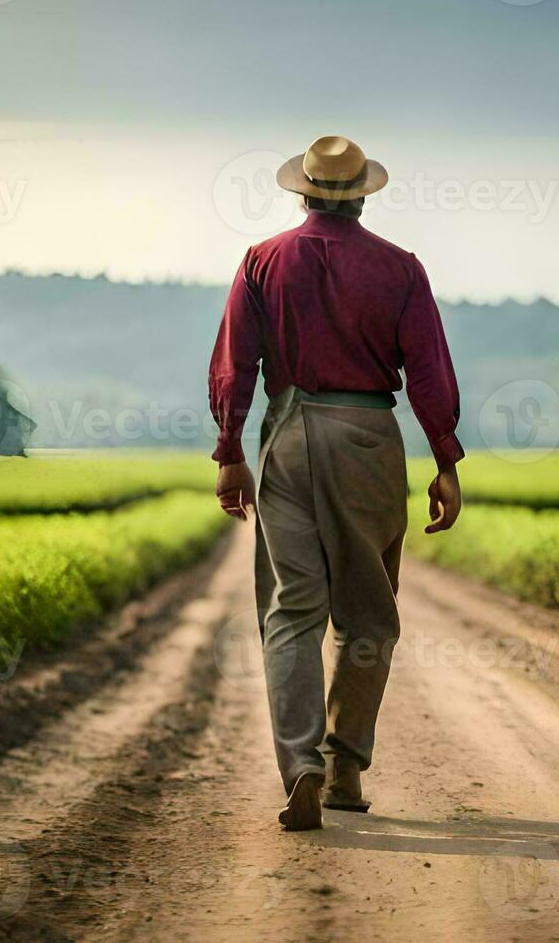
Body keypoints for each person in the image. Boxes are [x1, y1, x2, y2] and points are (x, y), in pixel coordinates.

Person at [207, 135, 465, 831]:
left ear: (303, 192)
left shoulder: (262, 261)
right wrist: (444, 460)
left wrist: (230, 448)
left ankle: (300, 767)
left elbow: (237, 362)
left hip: (287, 434)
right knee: (370, 616)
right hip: (368, 439)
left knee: (292, 611)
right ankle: (346, 762)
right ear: (360, 194)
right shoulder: (401, 268)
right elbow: (428, 374)